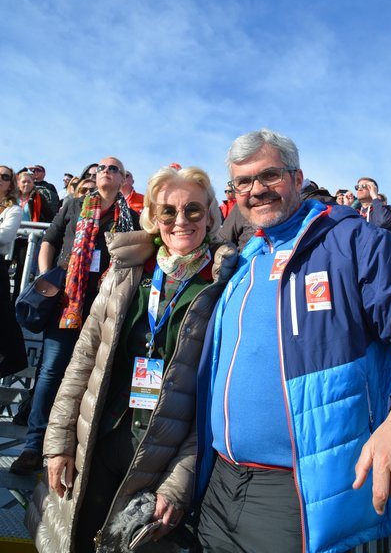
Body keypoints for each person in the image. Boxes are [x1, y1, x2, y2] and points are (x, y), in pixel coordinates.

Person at [196, 129, 391, 553]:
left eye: (269, 175)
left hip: (294, 494)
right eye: (243, 182)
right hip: (218, 485)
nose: (257, 190)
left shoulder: (353, 241)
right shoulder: (246, 261)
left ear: (298, 179)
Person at [24, 165, 237, 553]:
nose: (180, 221)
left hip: (161, 459)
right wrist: (57, 443)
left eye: (193, 209)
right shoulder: (126, 272)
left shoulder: (224, 286)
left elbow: (216, 401)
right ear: (153, 218)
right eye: (168, 211)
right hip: (99, 443)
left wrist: (178, 482)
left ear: (210, 214)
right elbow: (83, 361)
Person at [10, 157, 140, 475]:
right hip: (66, 304)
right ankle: (33, 445)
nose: (105, 173)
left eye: (113, 169)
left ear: (124, 179)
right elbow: (49, 242)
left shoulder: (131, 219)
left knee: (91, 377)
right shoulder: (73, 205)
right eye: (101, 169)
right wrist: (47, 279)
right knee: (51, 373)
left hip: (104, 310)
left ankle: (76, 447)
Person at [0, 165, 27, 377]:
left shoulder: (13, 210)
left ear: (10, 183)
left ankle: (12, 360)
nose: (0, 179)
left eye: (5, 177)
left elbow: (5, 236)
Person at [12, 171, 54, 301]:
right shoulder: (11, 198)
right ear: (18, 183)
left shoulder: (39, 198)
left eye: (29, 182)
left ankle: (16, 301)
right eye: (23, 182)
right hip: (11, 238)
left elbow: (50, 216)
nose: (26, 184)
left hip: (27, 239)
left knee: (21, 271)